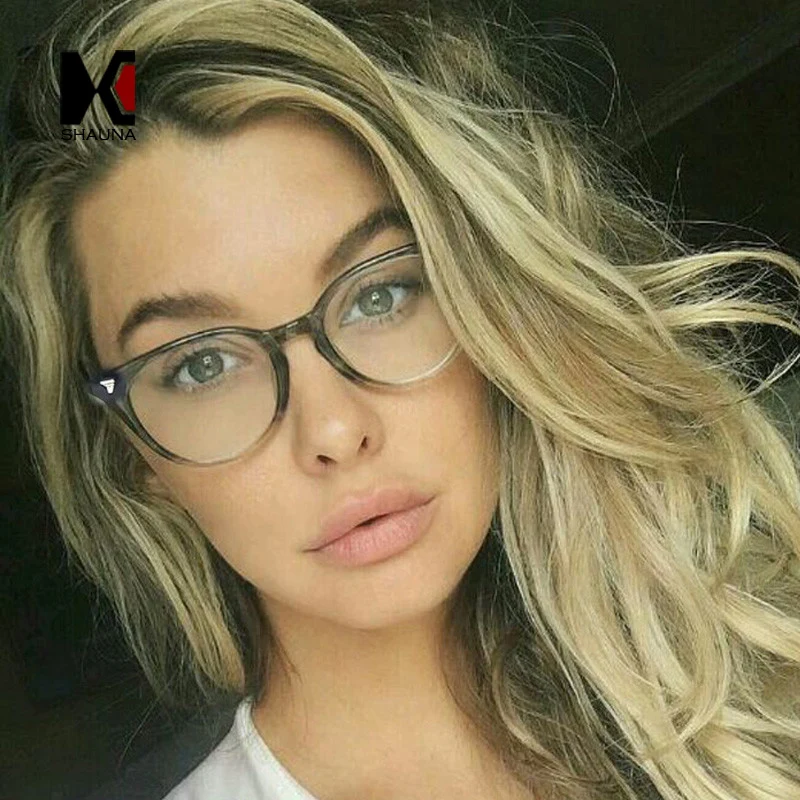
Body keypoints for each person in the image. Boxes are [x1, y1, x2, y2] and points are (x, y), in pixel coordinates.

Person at [2, 0, 800, 798]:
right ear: (135, 452)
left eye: (379, 296)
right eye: (202, 364)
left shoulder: (753, 675)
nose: (334, 428)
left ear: (488, 300)